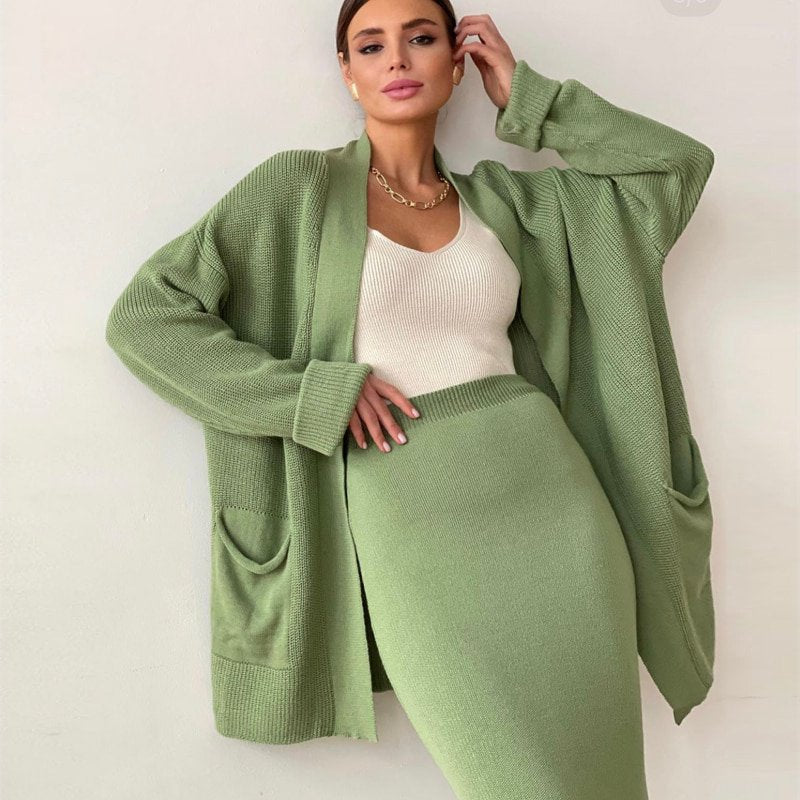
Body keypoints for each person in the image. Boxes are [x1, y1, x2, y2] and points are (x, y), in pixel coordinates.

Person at [106, 0, 716, 796]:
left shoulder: (514, 205)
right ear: (348, 73)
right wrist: (306, 394)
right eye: (371, 45)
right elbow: (145, 319)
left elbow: (675, 170)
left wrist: (531, 100)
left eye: (421, 39)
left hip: (558, 512)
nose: (396, 59)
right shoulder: (294, 190)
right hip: (409, 522)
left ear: (457, 64)